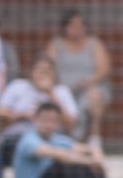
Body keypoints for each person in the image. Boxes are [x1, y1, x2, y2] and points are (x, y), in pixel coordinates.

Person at [13, 102, 121, 178]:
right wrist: (90, 162)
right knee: (65, 164)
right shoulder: (28, 140)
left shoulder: (56, 138)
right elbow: (59, 155)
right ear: (35, 119)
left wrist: (97, 157)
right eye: (45, 120)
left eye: (53, 121)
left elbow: (87, 149)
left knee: (81, 160)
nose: (49, 124)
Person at [0, 54, 79, 161]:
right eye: (39, 70)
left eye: (47, 70)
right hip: (17, 140)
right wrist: (23, 115)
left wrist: (50, 93)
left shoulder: (61, 91)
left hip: (52, 140)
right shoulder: (18, 86)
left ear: (54, 74)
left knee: (67, 150)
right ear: (31, 72)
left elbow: (72, 124)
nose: (43, 74)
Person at [45, 10, 112, 146]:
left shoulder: (94, 43)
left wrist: (88, 82)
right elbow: (48, 67)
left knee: (94, 97)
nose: (76, 29)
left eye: (80, 25)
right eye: (72, 26)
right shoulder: (56, 45)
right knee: (58, 97)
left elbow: (104, 69)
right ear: (64, 27)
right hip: (64, 89)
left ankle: (93, 139)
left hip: (89, 87)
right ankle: (69, 140)